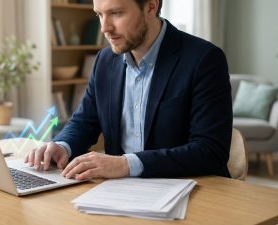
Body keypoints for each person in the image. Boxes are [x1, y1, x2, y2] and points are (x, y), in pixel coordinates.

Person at [25, 0, 233, 180]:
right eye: (99, 14)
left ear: (151, 6)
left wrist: (125, 165)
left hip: (193, 191)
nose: (104, 28)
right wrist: (62, 145)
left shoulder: (204, 59)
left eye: (116, 13)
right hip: (121, 193)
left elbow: (210, 151)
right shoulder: (105, 61)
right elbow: (84, 122)